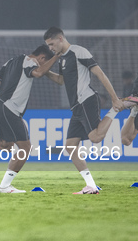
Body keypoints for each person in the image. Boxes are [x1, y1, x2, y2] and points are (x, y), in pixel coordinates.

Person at [44, 27, 124, 194]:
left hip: (86, 100)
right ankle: (91, 186)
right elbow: (60, 80)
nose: (50, 48)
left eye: (51, 44)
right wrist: (44, 71)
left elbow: (100, 74)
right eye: (48, 45)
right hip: (76, 107)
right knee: (71, 146)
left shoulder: (78, 51)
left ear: (60, 38)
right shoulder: (61, 59)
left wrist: (114, 98)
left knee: (95, 137)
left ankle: (115, 109)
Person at [0, 45, 59, 193]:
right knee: (25, 149)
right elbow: (38, 73)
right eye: (45, 62)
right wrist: (57, 56)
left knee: (7, 145)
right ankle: (4, 186)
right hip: (10, 109)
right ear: (42, 58)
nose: (44, 67)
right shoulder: (31, 62)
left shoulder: (11, 62)